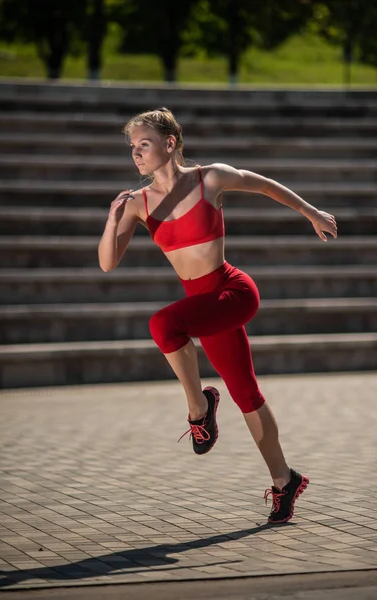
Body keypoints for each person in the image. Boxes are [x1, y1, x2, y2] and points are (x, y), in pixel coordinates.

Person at [98, 107, 337, 524]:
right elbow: (107, 264)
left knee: (163, 325)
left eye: (144, 144)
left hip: (232, 291)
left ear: (169, 143)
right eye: (132, 147)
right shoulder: (137, 204)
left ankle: (199, 409)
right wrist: (111, 219)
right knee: (246, 395)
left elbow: (263, 185)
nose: (135, 154)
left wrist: (312, 213)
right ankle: (286, 481)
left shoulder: (209, 177)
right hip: (204, 307)